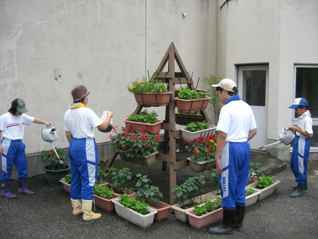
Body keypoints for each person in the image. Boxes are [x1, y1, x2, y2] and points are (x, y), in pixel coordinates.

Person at [208, 78, 257, 235]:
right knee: (240, 185)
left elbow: (222, 134)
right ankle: (238, 222)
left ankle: (227, 225)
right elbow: (254, 131)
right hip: (244, 146)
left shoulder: (227, 109)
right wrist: (241, 140)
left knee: (227, 185)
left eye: (218, 91)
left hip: (231, 148)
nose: (217, 94)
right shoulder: (246, 106)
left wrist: (217, 156)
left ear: (225, 92)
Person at [64, 85, 113, 221]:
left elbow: (67, 133)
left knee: (75, 177)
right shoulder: (87, 111)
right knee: (88, 178)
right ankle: (88, 213)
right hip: (86, 145)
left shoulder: (67, 112)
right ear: (84, 98)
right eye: (87, 96)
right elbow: (103, 127)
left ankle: (76, 208)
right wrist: (108, 116)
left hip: (73, 144)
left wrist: (74, 145)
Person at [0, 98, 51, 198]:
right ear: (14, 108)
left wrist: (45, 122)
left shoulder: (22, 116)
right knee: (7, 168)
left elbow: (33, 119)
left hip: (19, 143)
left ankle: (23, 188)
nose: (21, 113)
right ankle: (5, 190)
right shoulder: (4, 117)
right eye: (20, 110)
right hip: (7, 144)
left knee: (23, 166)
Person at [288, 97, 313, 198]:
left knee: (299, 166)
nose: (295, 110)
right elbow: (299, 131)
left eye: (297, 108)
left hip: (302, 144)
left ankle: (301, 188)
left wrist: (296, 129)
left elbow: (309, 135)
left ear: (303, 108)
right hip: (297, 142)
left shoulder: (307, 119)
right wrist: (293, 131)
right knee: (294, 164)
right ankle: (302, 184)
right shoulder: (301, 117)